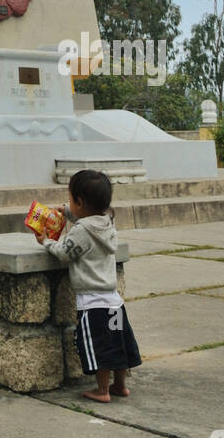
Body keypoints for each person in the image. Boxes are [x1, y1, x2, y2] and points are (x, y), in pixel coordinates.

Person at [29, 167, 141, 402]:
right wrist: (69, 212)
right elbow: (88, 220)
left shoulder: (81, 231)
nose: (68, 203)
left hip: (93, 305)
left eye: (70, 199)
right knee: (118, 344)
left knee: (100, 348)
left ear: (80, 201)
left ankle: (102, 390)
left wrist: (46, 241)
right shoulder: (107, 222)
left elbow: (64, 252)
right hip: (113, 301)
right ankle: (120, 385)